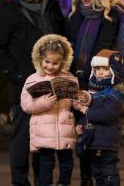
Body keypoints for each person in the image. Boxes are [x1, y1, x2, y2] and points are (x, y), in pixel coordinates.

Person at [0, 0, 65, 186]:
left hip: (52, 81)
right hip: (24, 85)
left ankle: (44, 182)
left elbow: (63, 37)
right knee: (22, 140)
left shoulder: (52, 4)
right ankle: (20, 183)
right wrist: (20, 77)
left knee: (45, 140)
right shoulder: (7, 12)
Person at [65, 0, 124, 186]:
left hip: (103, 87)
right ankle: (86, 180)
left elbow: (123, 51)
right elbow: (69, 49)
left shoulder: (115, 13)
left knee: (104, 145)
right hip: (78, 84)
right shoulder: (75, 15)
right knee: (82, 141)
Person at [20, 34, 90, 186]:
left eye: (55, 63)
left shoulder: (69, 77)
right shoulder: (33, 79)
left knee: (67, 163)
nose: (50, 66)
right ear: (40, 59)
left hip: (65, 128)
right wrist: (44, 102)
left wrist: (83, 105)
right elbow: (26, 104)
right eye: (47, 62)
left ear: (62, 62)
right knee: (46, 164)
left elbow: (74, 101)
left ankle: (63, 183)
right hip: (43, 132)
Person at [74, 49, 124, 186]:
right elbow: (91, 115)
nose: (100, 72)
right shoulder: (97, 92)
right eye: (97, 69)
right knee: (98, 174)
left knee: (109, 173)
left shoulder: (116, 93)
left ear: (114, 71)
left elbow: (106, 114)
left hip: (106, 142)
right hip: (95, 142)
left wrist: (85, 110)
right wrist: (80, 125)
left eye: (104, 69)